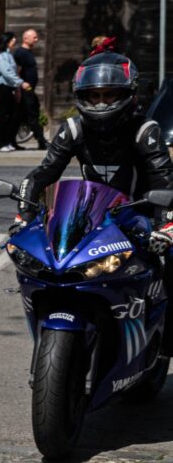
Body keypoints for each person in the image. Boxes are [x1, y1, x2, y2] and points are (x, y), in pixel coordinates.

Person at [13, 52, 173, 349]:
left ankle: (165, 339)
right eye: (94, 95)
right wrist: (23, 215)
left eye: (110, 95)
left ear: (129, 94)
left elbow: (165, 181)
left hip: (141, 217)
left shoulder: (144, 130)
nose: (102, 103)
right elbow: (42, 175)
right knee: (50, 262)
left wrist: (166, 227)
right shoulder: (73, 129)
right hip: (91, 216)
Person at [0, 32, 27, 152]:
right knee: (1, 116)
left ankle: (7, 141)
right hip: (1, 87)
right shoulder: (1, 56)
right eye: (12, 41)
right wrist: (20, 83)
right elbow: (7, 73)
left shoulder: (8, 55)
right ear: (7, 42)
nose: (14, 43)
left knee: (10, 115)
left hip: (8, 87)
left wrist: (16, 87)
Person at [14, 28, 47, 149]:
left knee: (22, 115)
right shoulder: (20, 53)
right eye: (34, 37)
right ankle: (42, 142)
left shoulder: (28, 52)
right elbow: (16, 71)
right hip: (24, 90)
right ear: (25, 38)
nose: (36, 40)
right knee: (32, 115)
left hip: (30, 90)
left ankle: (13, 141)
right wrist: (20, 84)